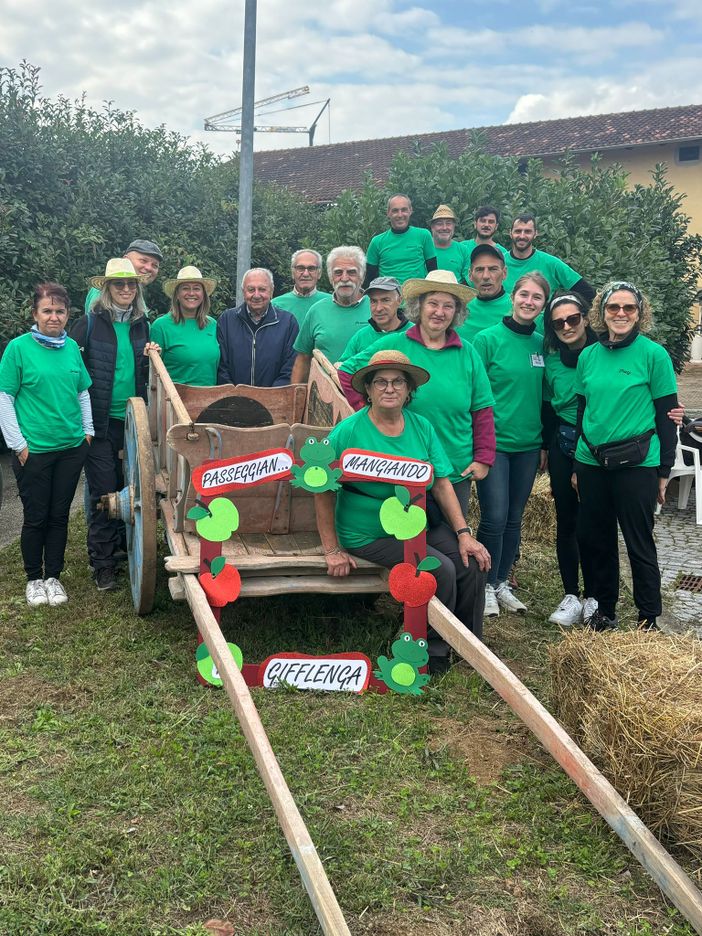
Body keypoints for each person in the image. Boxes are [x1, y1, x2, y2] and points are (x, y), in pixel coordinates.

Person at [315, 350, 491, 672]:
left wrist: (464, 534)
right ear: (367, 389)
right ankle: (431, 651)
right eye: (380, 381)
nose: (389, 388)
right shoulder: (348, 432)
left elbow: (441, 483)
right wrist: (331, 549)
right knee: (439, 569)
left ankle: (467, 645)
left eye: (398, 381)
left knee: (470, 562)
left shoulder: (422, 427)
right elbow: (322, 488)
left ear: (410, 389)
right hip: (368, 532)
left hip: (416, 522)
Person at [338, 269, 495, 519]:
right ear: (419, 306)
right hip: (402, 466)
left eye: (448, 306)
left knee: (453, 540)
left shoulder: (468, 353)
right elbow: (347, 372)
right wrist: (368, 411)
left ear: (456, 312)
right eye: (433, 303)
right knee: (404, 540)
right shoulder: (395, 344)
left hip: (455, 467)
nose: (439, 312)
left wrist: (484, 457)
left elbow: (482, 408)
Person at [573, 281, 679, 632]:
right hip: (591, 462)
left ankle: (648, 616)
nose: (620, 314)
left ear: (639, 313)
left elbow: (667, 415)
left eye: (628, 308)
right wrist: (577, 461)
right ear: (600, 313)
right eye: (612, 308)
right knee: (596, 538)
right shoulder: (588, 355)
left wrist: (664, 470)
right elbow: (582, 410)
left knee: (639, 541)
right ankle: (604, 611)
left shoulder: (654, 355)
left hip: (638, 463)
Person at [0, 283, 93, 607]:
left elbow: (82, 391)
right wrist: (18, 445)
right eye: (47, 311)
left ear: (68, 314)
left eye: (60, 311)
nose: (54, 317)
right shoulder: (18, 349)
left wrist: (88, 433)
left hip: (70, 448)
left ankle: (53, 576)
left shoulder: (71, 349)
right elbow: (5, 398)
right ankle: (33, 579)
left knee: (59, 515)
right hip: (34, 452)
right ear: (35, 313)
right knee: (36, 516)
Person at [72, 258, 155, 591]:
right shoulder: (89, 324)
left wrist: (152, 355)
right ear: (106, 288)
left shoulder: (142, 326)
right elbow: (72, 372)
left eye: (130, 284)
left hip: (133, 421)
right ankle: (103, 564)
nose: (125, 289)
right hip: (100, 423)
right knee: (105, 489)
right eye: (118, 284)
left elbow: (142, 373)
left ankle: (123, 547)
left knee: (130, 487)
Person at [473, 273, 550, 617]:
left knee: (515, 518)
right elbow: (473, 394)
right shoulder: (487, 340)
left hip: (529, 444)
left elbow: (548, 397)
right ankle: (484, 584)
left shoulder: (542, 344)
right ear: (513, 296)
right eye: (524, 294)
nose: (529, 302)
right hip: (496, 444)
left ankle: (501, 580)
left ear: (543, 305)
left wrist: (545, 443)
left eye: (537, 298)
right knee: (495, 516)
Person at [541, 291, 599, 627]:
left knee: (595, 520)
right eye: (558, 322)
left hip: (595, 443)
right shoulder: (550, 361)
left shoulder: (602, 354)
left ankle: (594, 596)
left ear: (586, 319)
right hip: (563, 439)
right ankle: (570, 595)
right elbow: (548, 406)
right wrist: (545, 446)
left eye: (572, 319)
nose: (566, 326)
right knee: (567, 519)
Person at [291, 247, 370, 382]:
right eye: (338, 272)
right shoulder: (316, 310)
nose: (344, 278)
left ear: (362, 276)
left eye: (351, 272)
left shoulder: (376, 308)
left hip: (369, 395)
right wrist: (295, 397)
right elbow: (303, 359)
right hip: (325, 398)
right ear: (330, 277)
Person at [217, 268, 298, 387]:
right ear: (243, 291)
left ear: (271, 291)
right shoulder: (227, 320)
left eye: (262, 289)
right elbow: (221, 365)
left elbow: (290, 367)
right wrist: (233, 395)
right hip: (233, 400)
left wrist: (270, 396)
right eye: (251, 290)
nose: (256, 295)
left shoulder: (288, 322)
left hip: (275, 400)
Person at [150, 266, 219, 386]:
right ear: (177, 294)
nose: (191, 293)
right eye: (185, 288)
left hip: (210, 400)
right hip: (174, 400)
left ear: (203, 295)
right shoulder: (161, 326)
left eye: (196, 288)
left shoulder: (213, 324)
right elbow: (153, 373)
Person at [504, 214, 595, 302]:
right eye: (518, 231)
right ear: (510, 233)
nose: (522, 236)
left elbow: (588, 294)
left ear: (535, 234)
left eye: (528, 231)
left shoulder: (551, 263)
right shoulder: (499, 263)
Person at [365, 194, 437, 286]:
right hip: (388, 296)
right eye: (395, 211)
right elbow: (369, 278)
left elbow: (434, 272)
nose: (400, 215)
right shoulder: (377, 242)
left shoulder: (423, 235)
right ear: (388, 213)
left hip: (416, 296)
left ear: (410, 211)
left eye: (404, 210)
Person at [338, 276, 409, 361]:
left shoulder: (414, 333)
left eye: (385, 300)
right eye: (373, 301)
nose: (378, 308)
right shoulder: (361, 337)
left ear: (399, 300)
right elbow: (342, 368)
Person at [84, 239, 163, 313]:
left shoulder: (134, 293)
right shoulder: (103, 290)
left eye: (155, 265)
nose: (149, 268)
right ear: (125, 259)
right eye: (143, 261)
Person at [458, 245, 512, 343]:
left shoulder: (517, 309)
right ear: (470, 275)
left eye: (493, 269)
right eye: (479, 269)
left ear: (504, 273)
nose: (486, 276)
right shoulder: (459, 309)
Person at [271, 249, 331, 327]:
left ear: (319, 273)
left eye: (311, 268)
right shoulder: (276, 305)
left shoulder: (331, 303)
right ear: (293, 272)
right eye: (300, 268)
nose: (306, 274)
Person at [461, 205, 508, 286]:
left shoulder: (503, 253)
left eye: (491, 222)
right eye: (483, 221)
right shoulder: (462, 247)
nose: (486, 225)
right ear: (475, 224)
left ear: (496, 226)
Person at [430, 205, 469, 281]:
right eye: (439, 224)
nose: (444, 228)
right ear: (432, 227)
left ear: (454, 226)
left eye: (448, 223)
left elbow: (468, 279)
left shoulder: (463, 250)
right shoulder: (423, 248)